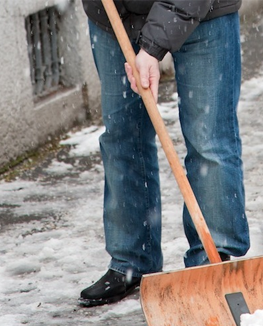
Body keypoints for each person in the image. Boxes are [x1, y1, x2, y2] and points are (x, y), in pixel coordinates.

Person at [79, 0, 250, 307]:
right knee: (122, 137)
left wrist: (152, 47)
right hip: (114, 14)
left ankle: (212, 259)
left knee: (208, 139)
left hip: (204, 11)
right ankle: (132, 260)